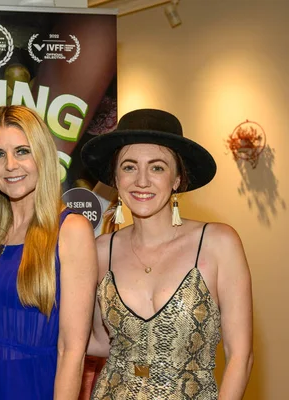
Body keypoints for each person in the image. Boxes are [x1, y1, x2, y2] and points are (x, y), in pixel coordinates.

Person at [81, 109, 253, 399]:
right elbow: (98, 340)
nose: (142, 181)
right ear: (116, 177)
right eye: (129, 167)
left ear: (176, 179)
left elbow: (241, 355)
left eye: (157, 167)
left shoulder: (219, 243)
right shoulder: (99, 251)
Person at [0, 105, 98, 400]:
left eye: (22, 151)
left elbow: (72, 350)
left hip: (29, 386)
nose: (10, 165)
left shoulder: (71, 229)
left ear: (42, 156)